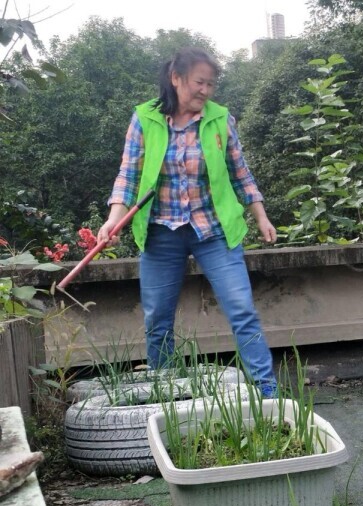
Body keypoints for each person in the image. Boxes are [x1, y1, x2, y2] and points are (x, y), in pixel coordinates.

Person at [98, 47, 278, 397]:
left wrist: (261, 215)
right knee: (157, 319)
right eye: (199, 82)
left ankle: (267, 392)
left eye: (211, 84)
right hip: (160, 233)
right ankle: (166, 397)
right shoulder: (145, 118)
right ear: (176, 78)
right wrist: (113, 220)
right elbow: (128, 175)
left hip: (214, 231)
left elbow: (240, 172)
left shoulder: (221, 119)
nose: (206, 91)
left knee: (242, 309)